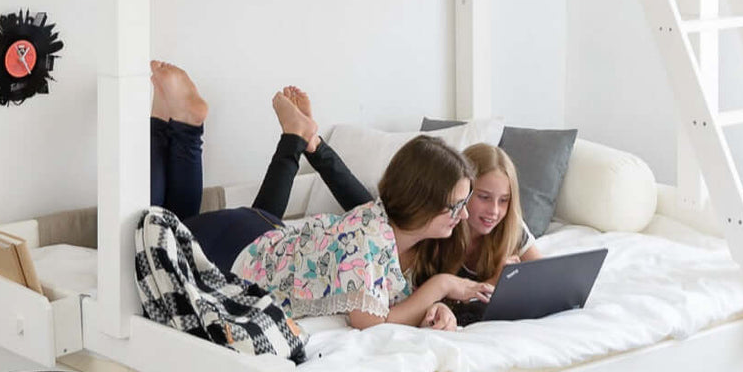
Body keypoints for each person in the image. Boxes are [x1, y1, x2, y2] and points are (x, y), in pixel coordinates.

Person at [147, 62, 491, 330]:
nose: (464, 215)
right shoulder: (368, 238)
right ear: (421, 201)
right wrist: (442, 287)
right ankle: (186, 127)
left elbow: (409, 300)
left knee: (164, 224)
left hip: (265, 234)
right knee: (151, 227)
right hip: (236, 249)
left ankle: (181, 122)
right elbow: (370, 323)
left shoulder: (407, 235)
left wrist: (439, 306)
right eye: (456, 206)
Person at [421, 142, 543, 289]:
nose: (494, 211)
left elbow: (547, 278)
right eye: (484, 197)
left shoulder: (511, 227)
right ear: (463, 191)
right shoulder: (438, 228)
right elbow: (432, 300)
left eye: (504, 200)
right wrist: (494, 283)